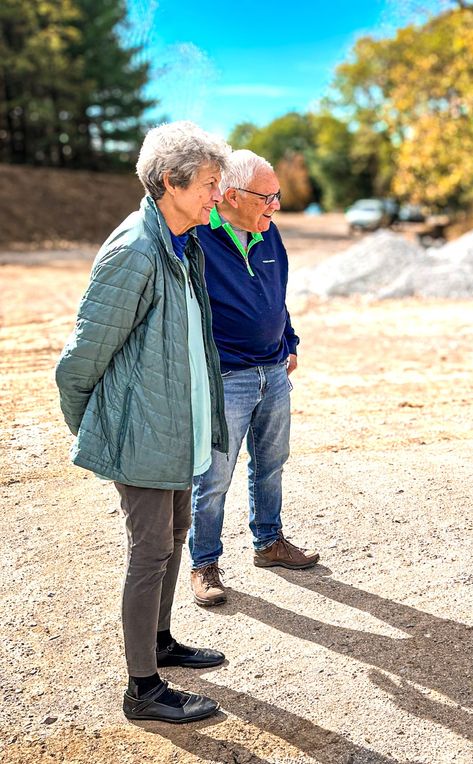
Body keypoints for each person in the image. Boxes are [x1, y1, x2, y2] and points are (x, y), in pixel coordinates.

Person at [55, 121, 232, 723]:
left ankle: (160, 642)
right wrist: (101, 432)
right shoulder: (135, 249)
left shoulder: (180, 244)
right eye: (209, 184)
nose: (217, 194)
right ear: (169, 183)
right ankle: (143, 689)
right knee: (150, 551)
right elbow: (81, 357)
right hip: (141, 434)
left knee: (175, 533)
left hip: (172, 430)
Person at [188, 149, 319, 608]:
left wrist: (291, 340)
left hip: (274, 370)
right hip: (226, 377)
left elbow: (276, 296)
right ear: (232, 195)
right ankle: (204, 562)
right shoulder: (197, 238)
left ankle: (269, 543)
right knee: (213, 475)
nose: (276, 206)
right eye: (268, 197)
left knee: (272, 461)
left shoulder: (270, 234)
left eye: (277, 196)